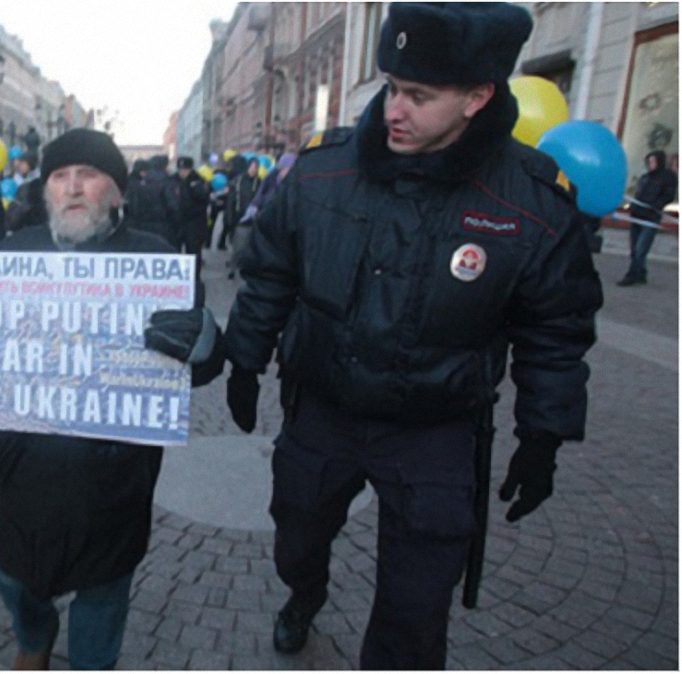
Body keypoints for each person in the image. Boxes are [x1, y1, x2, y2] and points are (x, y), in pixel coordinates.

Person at [223, 4, 603, 669]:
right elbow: (270, 273)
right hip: (325, 408)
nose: (393, 109)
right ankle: (303, 594)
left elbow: (556, 329)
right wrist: (246, 359)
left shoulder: (530, 201)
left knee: (417, 608)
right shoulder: (322, 170)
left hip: (436, 429)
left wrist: (543, 435)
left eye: (418, 96)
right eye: (392, 87)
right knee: (297, 540)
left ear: (477, 98)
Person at [0, 128, 225, 670]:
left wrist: (203, 344)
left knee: (104, 593)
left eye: (87, 175)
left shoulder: (154, 261)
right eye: (60, 177)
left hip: (112, 473)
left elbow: (192, 371)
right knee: (15, 578)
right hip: (27, 467)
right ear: (46, 192)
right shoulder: (12, 256)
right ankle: (33, 640)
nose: (72, 188)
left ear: (116, 191)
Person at [618, 149, 678, 286]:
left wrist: (655, 205)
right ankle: (641, 273)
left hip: (650, 218)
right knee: (634, 248)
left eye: (653, 161)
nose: (650, 164)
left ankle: (631, 275)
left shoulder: (668, 177)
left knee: (641, 249)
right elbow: (639, 194)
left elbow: (668, 195)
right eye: (649, 161)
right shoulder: (645, 177)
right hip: (637, 215)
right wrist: (632, 207)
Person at [124, 154, 180, 249]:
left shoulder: (139, 182)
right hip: (163, 227)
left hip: (140, 226)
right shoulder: (167, 182)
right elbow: (173, 206)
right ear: (165, 166)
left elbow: (130, 205)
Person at [226, 156, 260, 279]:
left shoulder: (260, 182)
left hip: (255, 220)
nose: (253, 170)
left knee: (251, 248)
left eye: (256, 167)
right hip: (240, 218)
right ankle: (233, 269)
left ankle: (247, 270)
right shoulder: (238, 181)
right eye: (252, 167)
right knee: (238, 247)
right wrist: (229, 219)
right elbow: (231, 201)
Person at [173, 156, 210, 267]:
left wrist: (195, 188)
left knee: (193, 253)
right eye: (180, 169)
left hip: (194, 223)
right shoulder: (173, 180)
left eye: (185, 170)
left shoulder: (198, 180)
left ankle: (195, 279)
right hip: (177, 222)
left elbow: (204, 200)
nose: (183, 172)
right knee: (175, 251)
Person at [5, 151, 46, 234]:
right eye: (20, 164)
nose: (20, 167)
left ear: (31, 164)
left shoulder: (37, 181)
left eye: (23, 164)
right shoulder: (16, 178)